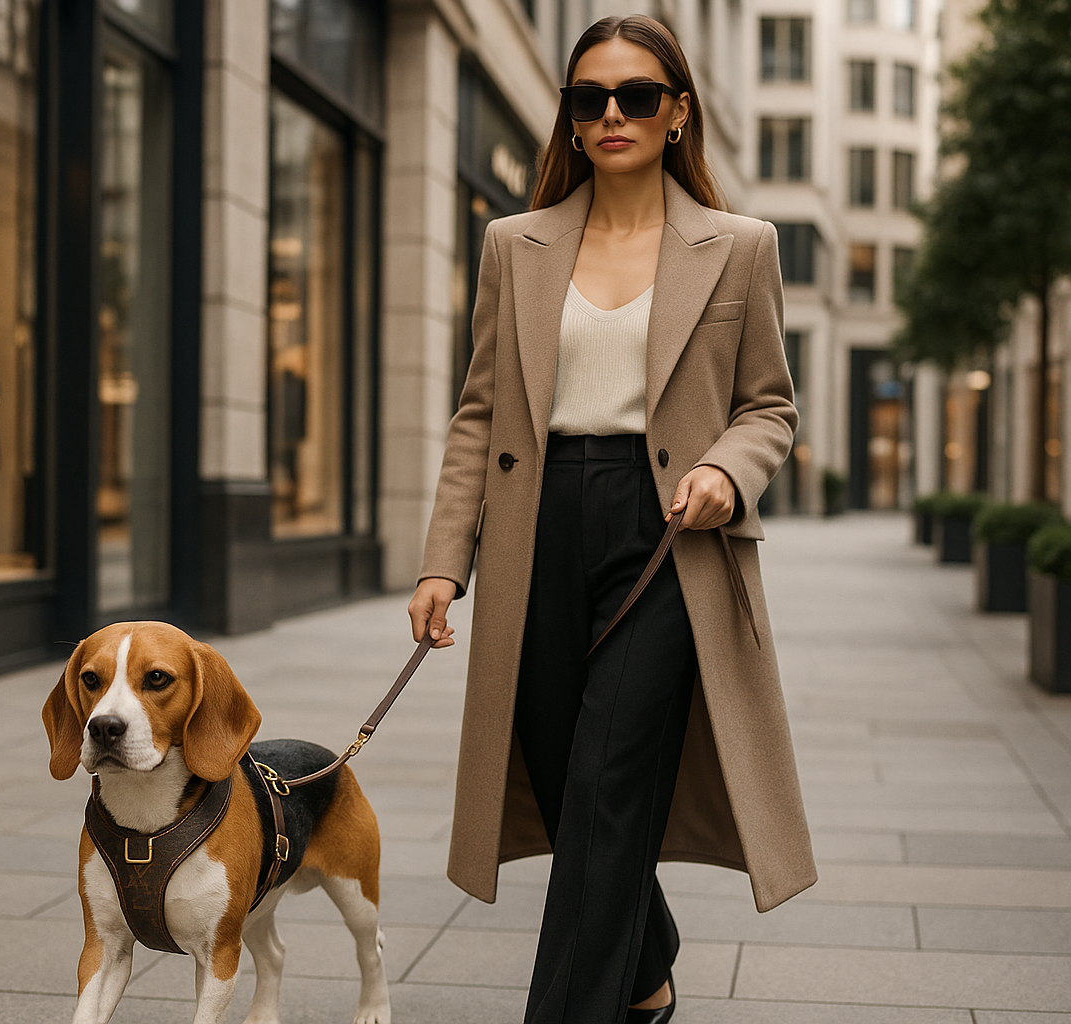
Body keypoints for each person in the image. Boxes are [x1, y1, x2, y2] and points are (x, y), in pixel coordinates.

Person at [407, 14, 817, 1024]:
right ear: (571, 118)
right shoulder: (515, 244)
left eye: (638, 95)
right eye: (591, 97)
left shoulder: (740, 248)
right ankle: (649, 957)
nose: (614, 114)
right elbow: (479, 410)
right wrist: (440, 562)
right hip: (532, 530)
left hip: (670, 535)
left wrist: (727, 468)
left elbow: (770, 405)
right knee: (559, 772)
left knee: (604, 779)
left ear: (677, 111)